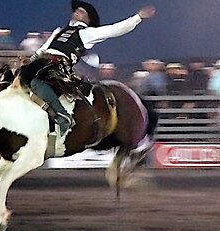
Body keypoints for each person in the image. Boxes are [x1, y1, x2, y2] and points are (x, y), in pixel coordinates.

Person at [20, 0, 156, 136]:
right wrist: (30, 60)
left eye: (81, 12)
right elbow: (44, 48)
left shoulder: (87, 33)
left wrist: (138, 17)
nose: (76, 13)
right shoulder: (60, 31)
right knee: (17, 77)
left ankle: (62, 115)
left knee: (36, 80)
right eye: (76, 10)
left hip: (59, 66)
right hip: (42, 62)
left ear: (88, 19)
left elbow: (115, 29)